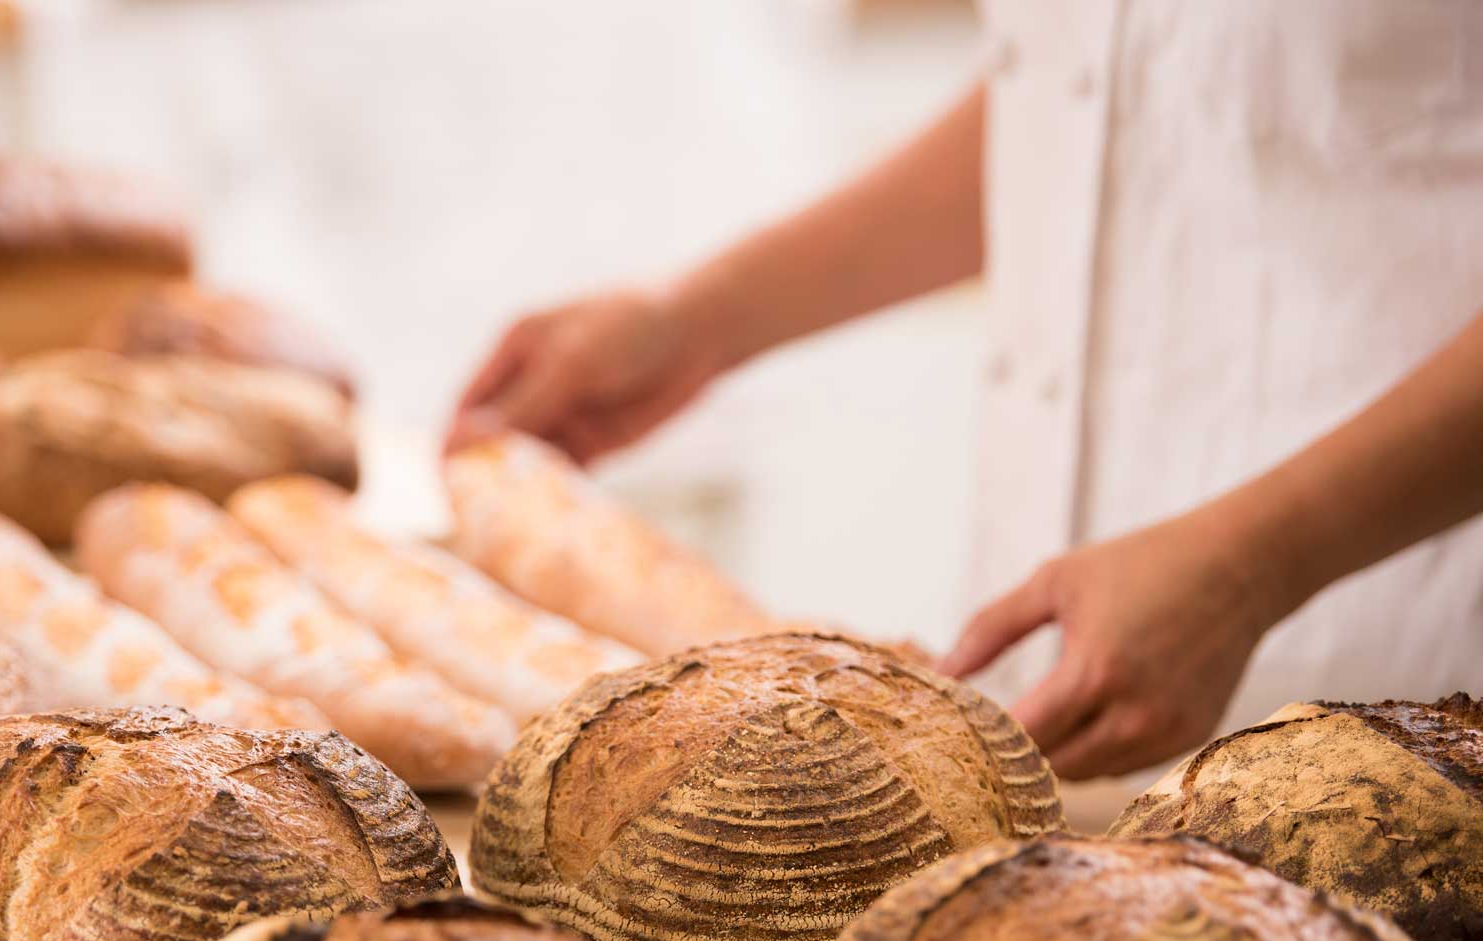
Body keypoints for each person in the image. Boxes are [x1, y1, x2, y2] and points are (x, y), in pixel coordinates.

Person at [445, 3, 1483, 781]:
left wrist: (1257, 562)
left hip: (1407, 699)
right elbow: (1095, 103)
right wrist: (698, 323)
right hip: (1065, 681)